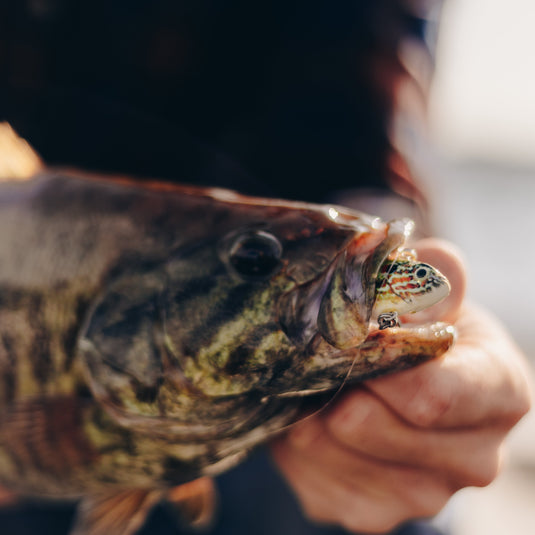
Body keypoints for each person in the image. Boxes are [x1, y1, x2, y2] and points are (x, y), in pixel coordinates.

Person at [0, 1, 531, 534]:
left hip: (272, 453)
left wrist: (397, 256)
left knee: (399, 511)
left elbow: (356, 134)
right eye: (254, 262)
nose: (264, 266)